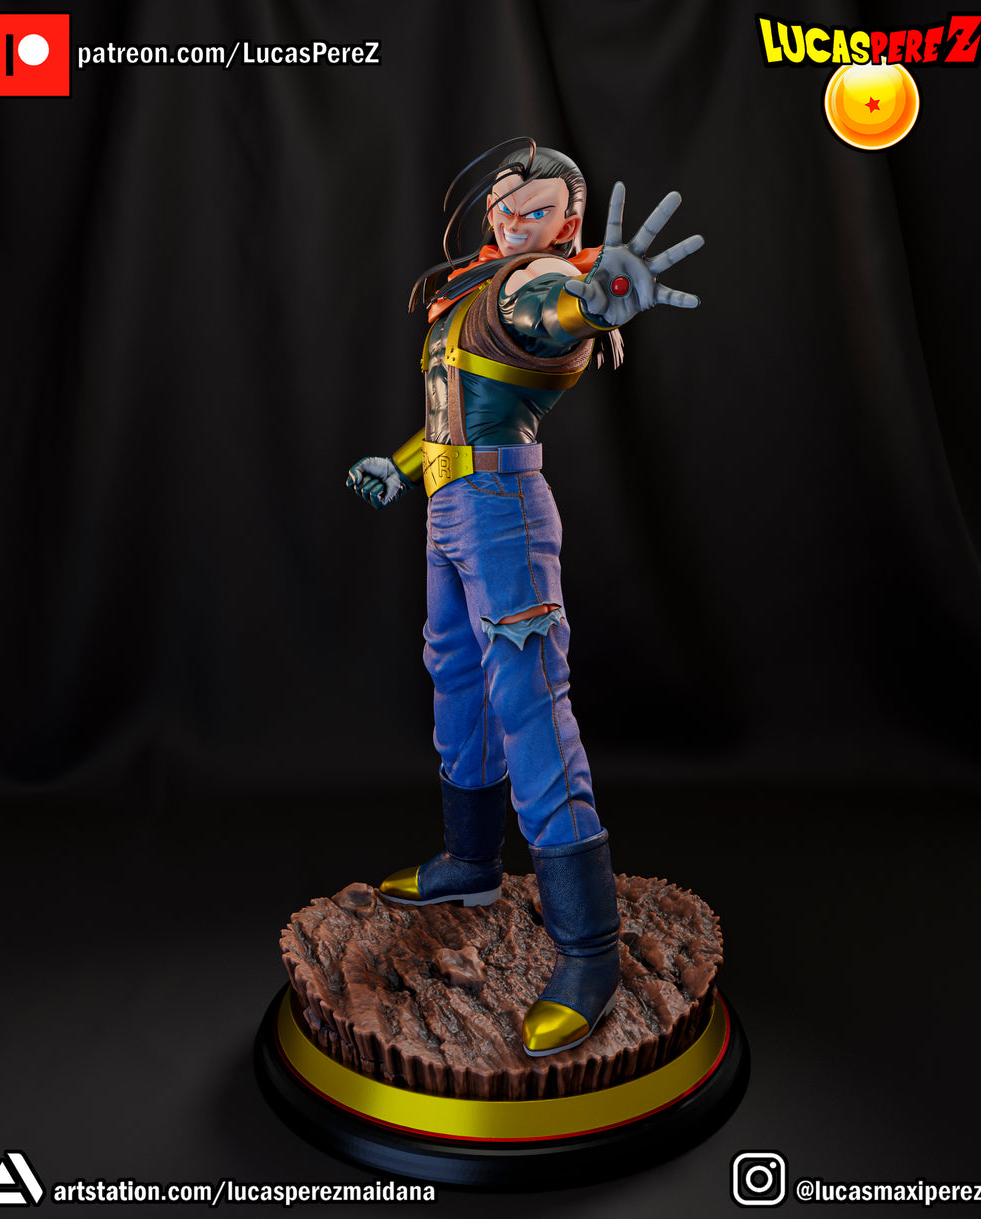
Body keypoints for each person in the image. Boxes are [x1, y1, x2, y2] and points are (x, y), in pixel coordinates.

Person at [347, 140, 702, 1056]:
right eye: (505, 206)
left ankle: (589, 948)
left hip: (502, 509)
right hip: (452, 502)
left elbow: (551, 310)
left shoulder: (534, 283)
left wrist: (595, 298)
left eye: (535, 208)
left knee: (531, 706)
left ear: (568, 222)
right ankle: (470, 860)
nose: (513, 220)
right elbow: (455, 414)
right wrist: (402, 465)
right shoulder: (470, 289)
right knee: (457, 679)